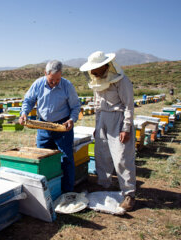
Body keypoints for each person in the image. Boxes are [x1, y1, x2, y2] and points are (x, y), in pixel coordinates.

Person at [79, 51, 136, 211]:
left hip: (118, 119)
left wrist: (126, 128)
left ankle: (129, 194)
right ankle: (104, 186)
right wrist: (97, 127)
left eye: (95, 69)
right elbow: (97, 107)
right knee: (101, 155)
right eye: (92, 70)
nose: (93, 73)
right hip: (103, 120)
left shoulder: (122, 81)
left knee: (122, 158)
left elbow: (129, 106)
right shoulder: (96, 81)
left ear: (105, 66)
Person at [19, 60, 81, 192]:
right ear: (45, 73)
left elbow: (75, 106)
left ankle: (67, 192)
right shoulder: (38, 84)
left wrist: (72, 119)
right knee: (43, 158)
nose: (55, 83)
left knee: (66, 159)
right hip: (43, 126)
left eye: (58, 79)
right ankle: (45, 191)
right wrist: (24, 113)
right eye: (52, 80)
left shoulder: (67, 85)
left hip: (62, 127)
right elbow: (28, 100)